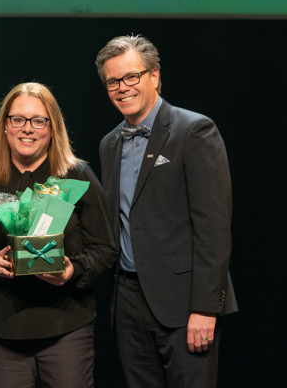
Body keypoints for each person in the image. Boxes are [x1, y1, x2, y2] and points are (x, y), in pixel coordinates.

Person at [95, 35, 238, 387]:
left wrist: (205, 308)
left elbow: (214, 228)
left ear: (154, 76)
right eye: (113, 81)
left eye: (132, 77)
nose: (122, 88)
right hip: (128, 302)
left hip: (185, 303)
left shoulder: (195, 131)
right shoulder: (110, 143)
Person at [0, 82, 117, 388]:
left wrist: (73, 269)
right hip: (5, 333)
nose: (28, 129)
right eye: (18, 119)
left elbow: (105, 248)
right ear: (5, 126)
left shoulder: (77, 176)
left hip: (66, 327)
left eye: (38, 120)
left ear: (52, 127)